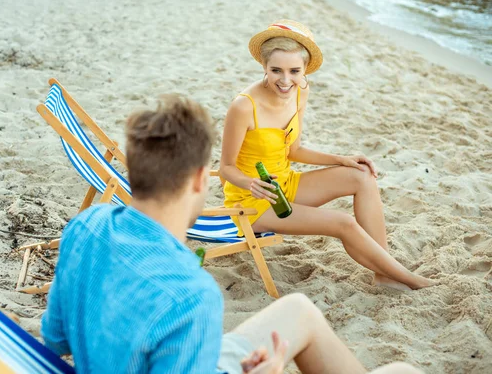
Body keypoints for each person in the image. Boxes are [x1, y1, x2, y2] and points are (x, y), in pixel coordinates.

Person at [41, 95, 422, 373]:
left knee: (298, 309)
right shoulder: (191, 294)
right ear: (198, 181)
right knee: (404, 372)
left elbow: (56, 339)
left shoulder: (85, 227)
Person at [221, 19, 434, 291]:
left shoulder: (300, 92)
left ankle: (384, 275)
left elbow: (294, 151)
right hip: (254, 200)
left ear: (305, 69)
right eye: (276, 70)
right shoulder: (243, 106)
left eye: (294, 71)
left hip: (286, 183)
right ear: (264, 67)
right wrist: (250, 183)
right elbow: (226, 167)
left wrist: (341, 159)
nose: (285, 80)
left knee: (361, 175)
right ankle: (409, 279)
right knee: (343, 222)